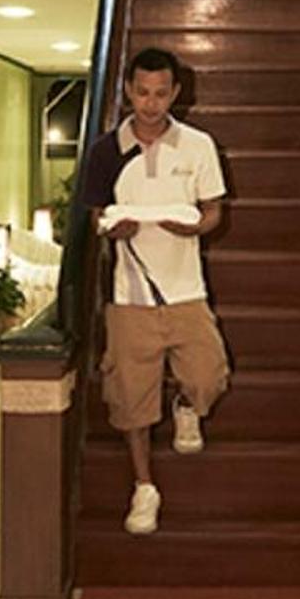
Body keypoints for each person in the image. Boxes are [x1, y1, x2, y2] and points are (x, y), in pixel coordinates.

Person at [72, 46, 229, 535]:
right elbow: (96, 214)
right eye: (142, 92)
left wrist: (196, 227)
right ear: (128, 90)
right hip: (130, 295)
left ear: (175, 93)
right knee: (130, 398)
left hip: (186, 289)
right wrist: (110, 229)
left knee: (207, 376)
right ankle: (144, 487)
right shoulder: (105, 151)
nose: (151, 103)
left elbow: (213, 210)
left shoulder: (198, 146)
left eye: (161, 93)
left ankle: (186, 406)